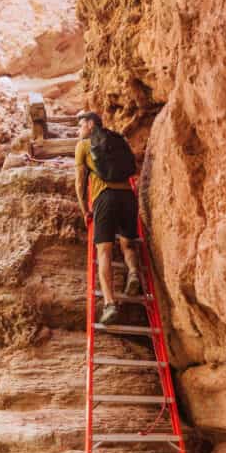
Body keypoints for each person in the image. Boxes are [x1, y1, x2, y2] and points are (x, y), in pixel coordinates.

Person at [74, 111, 141, 325]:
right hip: (128, 196)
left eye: (81, 125)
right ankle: (133, 273)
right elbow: (132, 167)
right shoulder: (118, 139)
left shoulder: (84, 145)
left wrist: (85, 209)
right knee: (128, 243)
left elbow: (79, 182)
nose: (79, 130)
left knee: (104, 252)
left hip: (105, 197)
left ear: (91, 124)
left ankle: (110, 304)